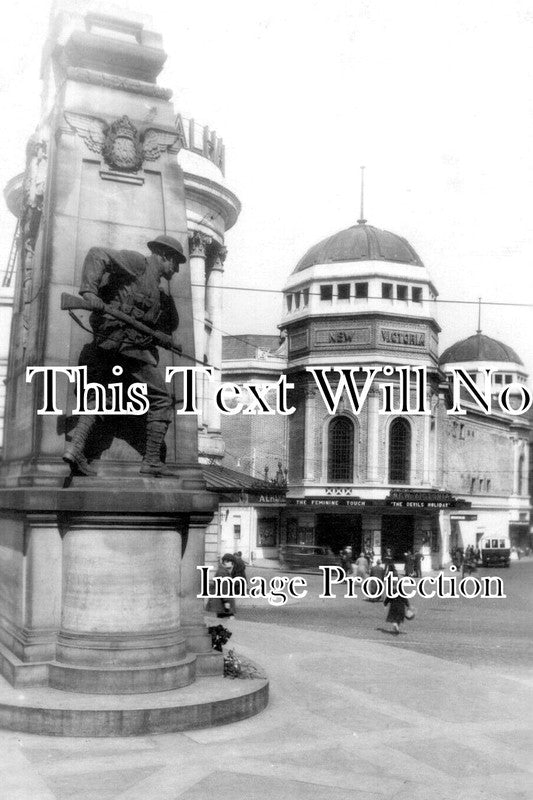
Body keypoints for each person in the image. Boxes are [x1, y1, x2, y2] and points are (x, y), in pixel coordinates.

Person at [62, 235, 186, 478]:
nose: (177, 269)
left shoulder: (159, 295)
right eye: (175, 262)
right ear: (164, 256)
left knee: (105, 396)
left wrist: (162, 338)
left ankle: (75, 449)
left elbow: (144, 323)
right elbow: (98, 253)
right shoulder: (138, 264)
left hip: (118, 346)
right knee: (161, 398)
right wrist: (89, 292)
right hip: (124, 346)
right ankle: (151, 461)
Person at [208, 554, 237, 618]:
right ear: (226, 561)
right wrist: (226, 601)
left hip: (221, 601)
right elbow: (223, 588)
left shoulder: (222, 571)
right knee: (229, 618)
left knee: (223, 619)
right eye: (231, 562)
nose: (232, 565)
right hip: (222, 602)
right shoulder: (222, 572)